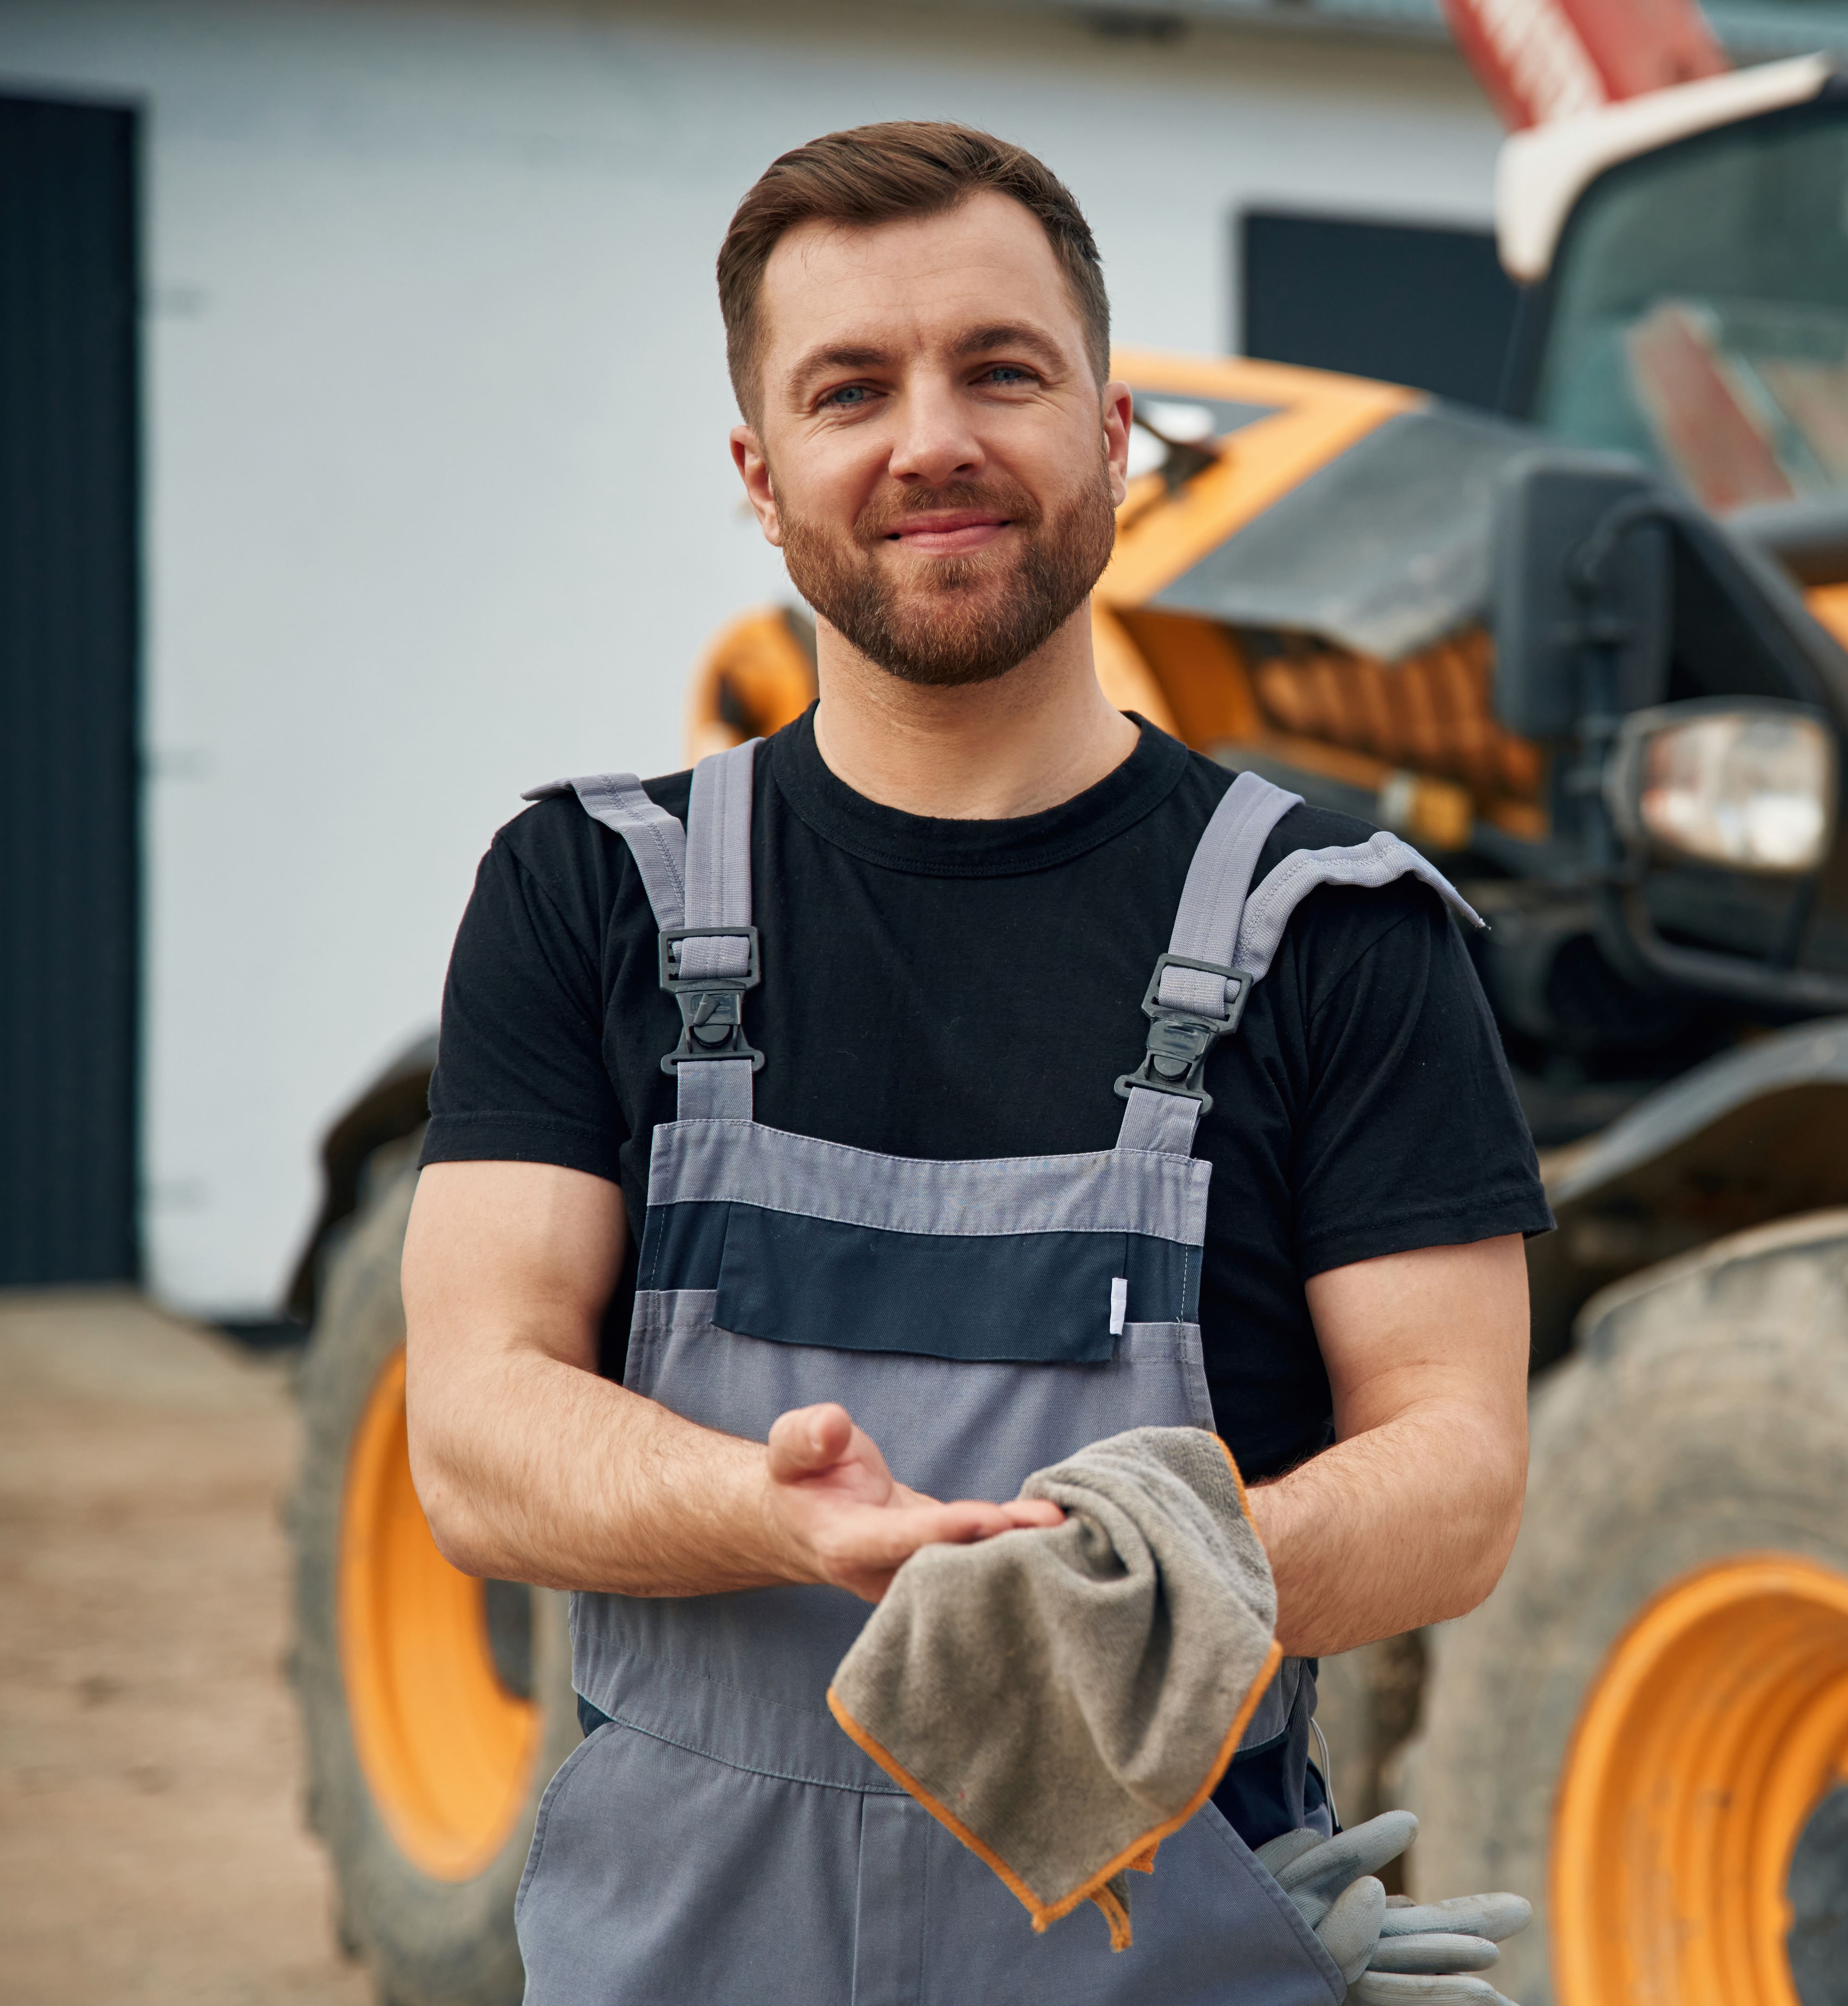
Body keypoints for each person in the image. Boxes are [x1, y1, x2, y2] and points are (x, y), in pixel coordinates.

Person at [400, 121, 1549, 2003]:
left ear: (1114, 437)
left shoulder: (1337, 931)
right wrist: (771, 1514)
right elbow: (474, 1432)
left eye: (1001, 370)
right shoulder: (587, 898)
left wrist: (1168, 1563)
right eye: (852, 389)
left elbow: (1461, 1468)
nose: (932, 437)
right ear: (764, 481)